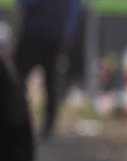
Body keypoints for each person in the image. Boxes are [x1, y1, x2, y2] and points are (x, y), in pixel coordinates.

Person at [14, 0, 81, 139]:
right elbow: (74, 11)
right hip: (57, 37)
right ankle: (48, 126)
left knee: (16, 79)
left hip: (34, 34)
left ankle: (14, 118)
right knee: (51, 82)